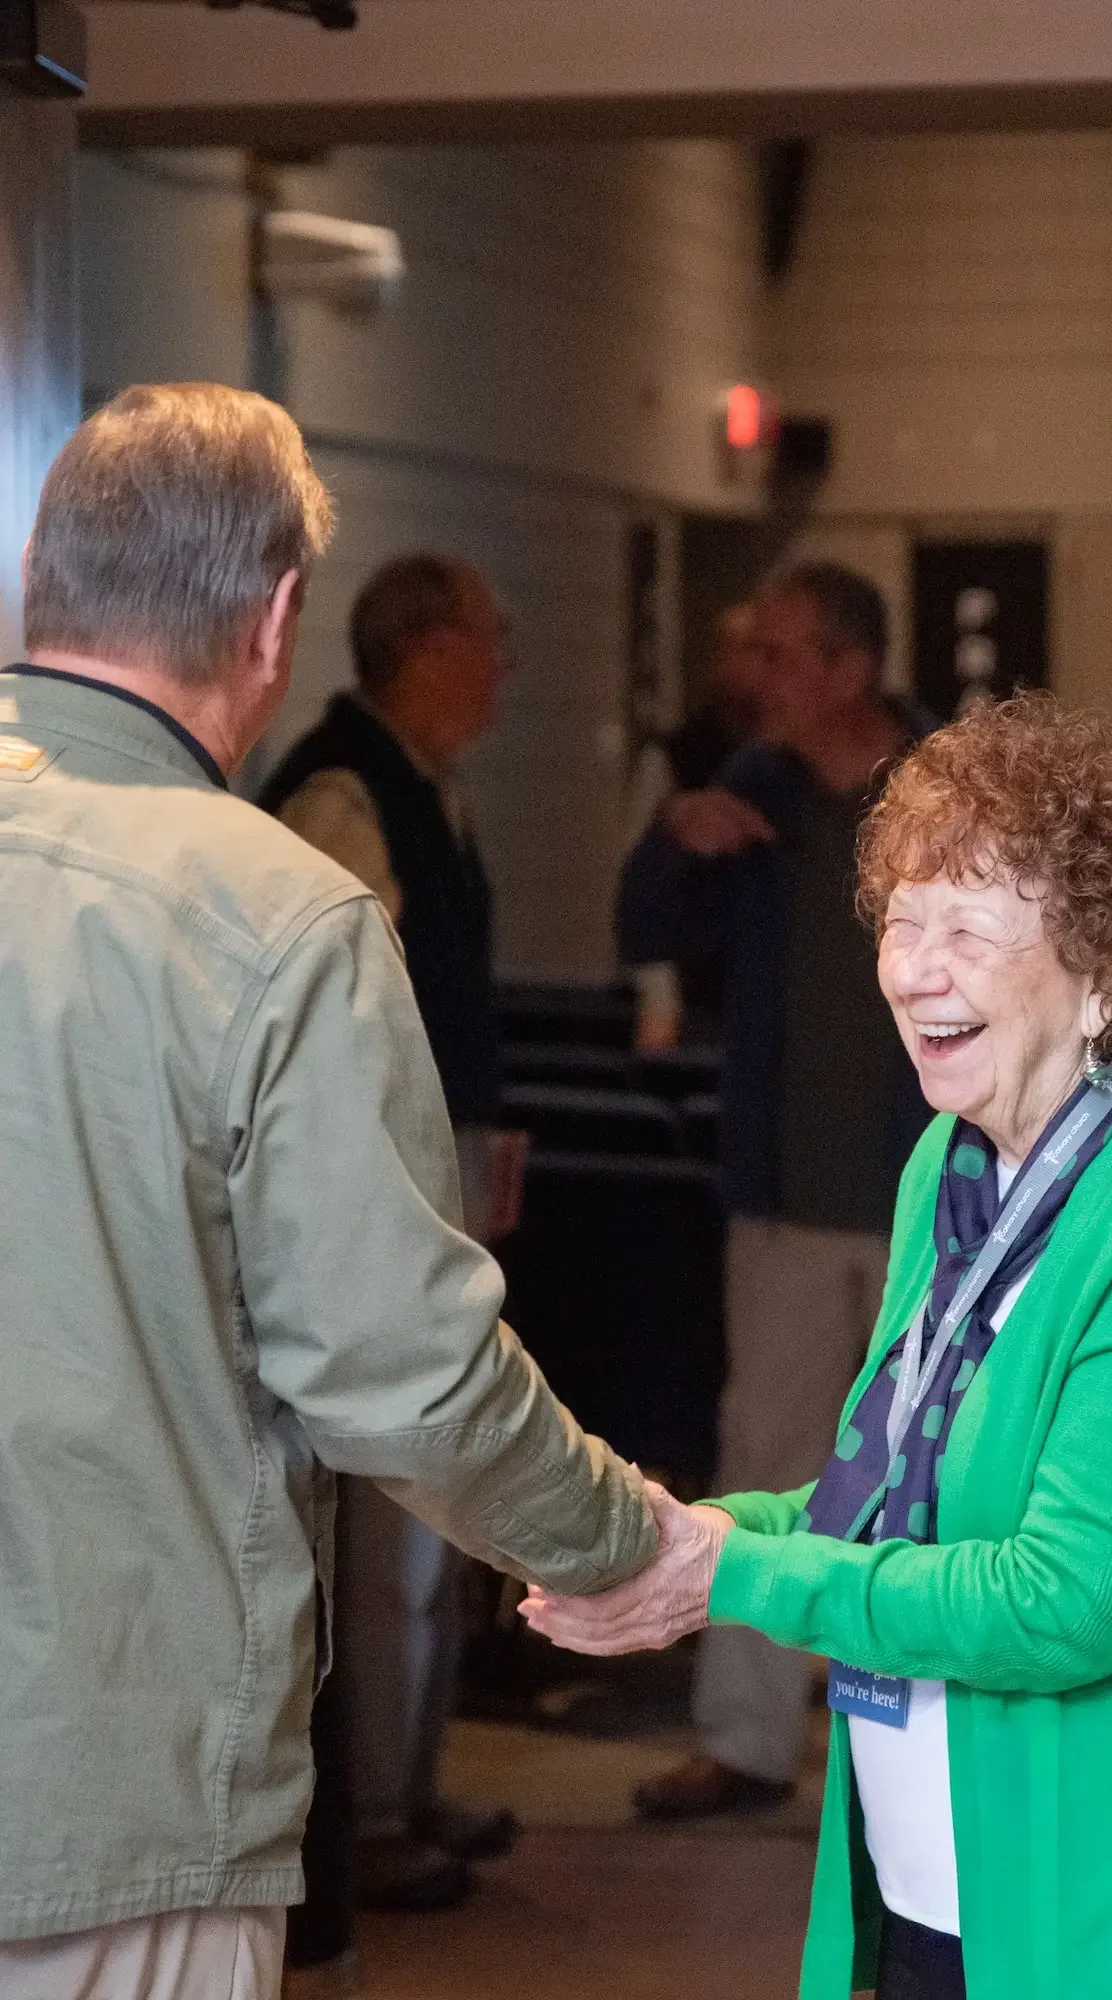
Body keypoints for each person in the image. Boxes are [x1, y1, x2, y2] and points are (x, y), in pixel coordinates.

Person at [0, 383, 661, 1999]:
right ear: (278, 619)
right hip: (109, 1790)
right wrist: (614, 1542)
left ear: (43, 575)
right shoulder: (274, 918)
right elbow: (405, 1378)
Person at [528, 693, 1112, 2000]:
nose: (913, 966)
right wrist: (671, 1542)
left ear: (1107, 973)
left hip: (1108, 1925)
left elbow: (1067, 1602)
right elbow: (891, 1496)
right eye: (903, 921)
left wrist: (724, 1576)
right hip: (922, 1886)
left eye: (967, 926)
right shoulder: (954, 1169)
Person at [617, 563, 930, 1819]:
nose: (758, 678)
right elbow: (643, 922)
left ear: (851, 669)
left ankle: (908, 1757)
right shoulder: (750, 788)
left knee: (930, 1483)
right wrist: (671, 834)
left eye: (784, 654)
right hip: (786, 1197)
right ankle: (743, 1738)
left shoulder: (947, 786)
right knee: (766, 1458)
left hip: (931, 1207)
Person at [260, 555, 524, 1911]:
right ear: (422, 644)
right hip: (378, 1185)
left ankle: (410, 1784)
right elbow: (334, 1031)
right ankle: (367, 1811)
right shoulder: (343, 789)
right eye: (489, 634)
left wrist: (489, 1128)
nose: (507, 660)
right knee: (390, 1514)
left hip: (441, 1164)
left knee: (436, 1511)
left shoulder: (424, 787)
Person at [624, 601, 768, 1050]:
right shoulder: (675, 755)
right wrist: (659, 1000)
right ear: (718, 662)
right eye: (745, 651)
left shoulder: (787, 758)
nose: (759, 668)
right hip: (696, 991)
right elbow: (640, 881)